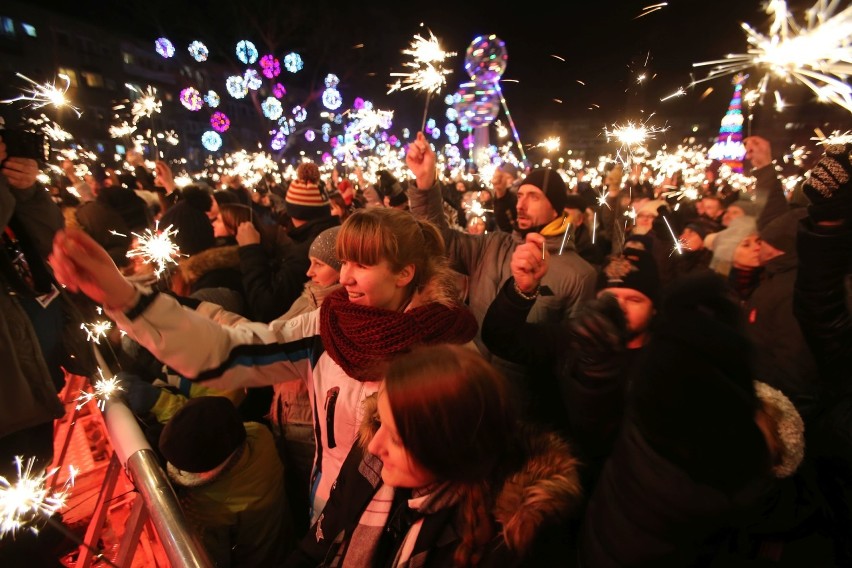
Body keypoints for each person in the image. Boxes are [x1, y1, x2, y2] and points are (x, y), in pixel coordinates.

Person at [49, 207, 478, 527]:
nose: (343, 277)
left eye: (361, 265)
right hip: (326, 513)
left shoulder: (449, 353)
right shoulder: (326, 327)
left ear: (404, 273)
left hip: (405, 528)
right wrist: (126, 299)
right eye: (343, 261)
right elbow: (231, 353)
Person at [283, 344, 583, 567]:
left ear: (451, 451)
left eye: (398, 439)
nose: (375, 445)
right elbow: (314, 550)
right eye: (379, 422)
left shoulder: (504, 543)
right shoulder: (371, 461)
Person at [406, 131, 596, 421]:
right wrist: (425, 183)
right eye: (519, 196)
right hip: (470, 391)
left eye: (533, 197)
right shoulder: (493, 245)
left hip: (524, 411)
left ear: (556, 207)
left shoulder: (579, 274)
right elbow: (438, 242)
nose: (520, 204)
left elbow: (571, 359)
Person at [156, 396, 293, 566]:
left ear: (204, 472)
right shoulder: (260, 435)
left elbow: (214, 561)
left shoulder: (206, 508)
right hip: (285, 540)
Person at [237, 161, 339, 322]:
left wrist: (250, 249)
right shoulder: (328, 235)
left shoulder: (307, 250)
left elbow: (266, 306)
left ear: (294, 212)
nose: (310, 272)